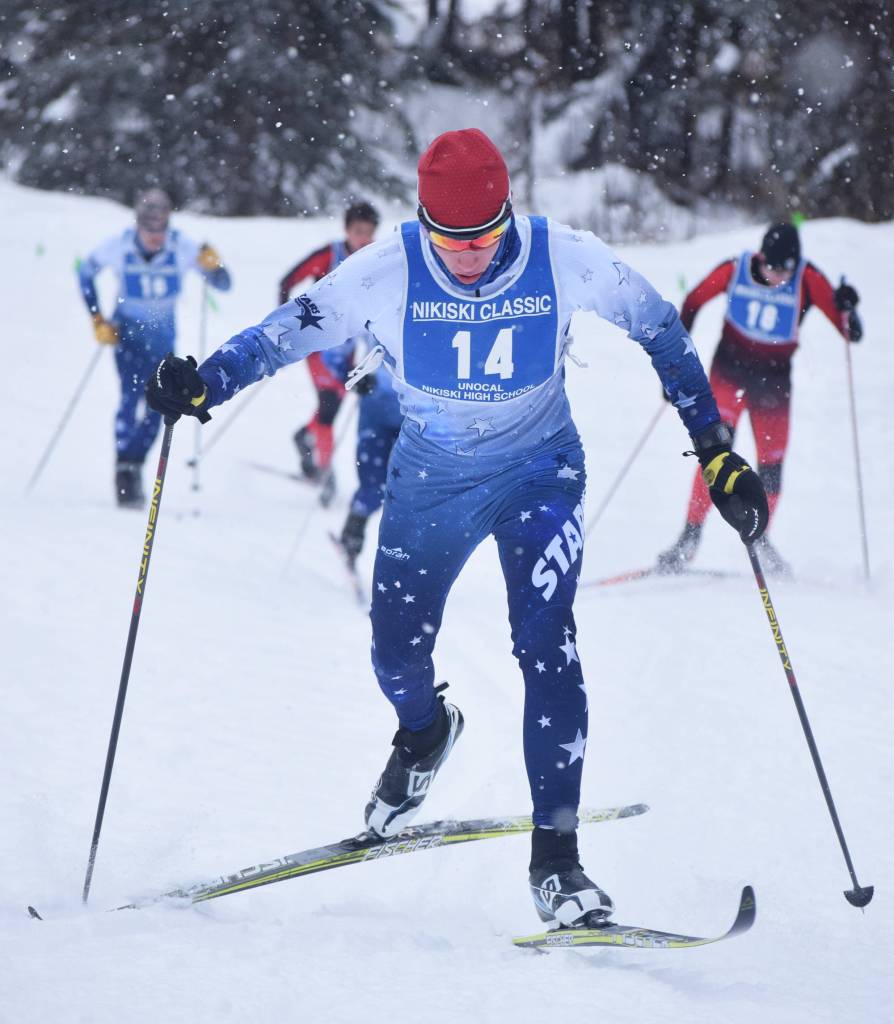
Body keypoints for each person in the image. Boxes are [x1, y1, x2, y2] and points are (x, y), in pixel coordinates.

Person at [145, 129, 768, 926]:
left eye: (484, 238)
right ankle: (425, 732)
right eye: (450, 241)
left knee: (548, 642)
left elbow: (660, 328)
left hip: (541, 472)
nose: (469, 257)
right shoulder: (388, 267)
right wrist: (209, 380)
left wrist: (714, 451)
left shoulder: (561, 255)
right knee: (394, 652)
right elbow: (294, 325)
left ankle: (558, 860)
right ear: (423, 225)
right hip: (431, 482)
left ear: (509, 215)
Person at [657, 222, 862, 574]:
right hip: (728, 374)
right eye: (770, 265)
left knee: (771, 468)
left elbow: (850, 332)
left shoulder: (808, 279)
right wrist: (675, 363)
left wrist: (848, 307)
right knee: (714, 457)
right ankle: (688, 538)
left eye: (784, 269)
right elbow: (692, 302)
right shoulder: (735, 269)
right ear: (761, 256)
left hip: (773, 387)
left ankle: (759, 535)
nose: (775, 275)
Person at [78, 187, 232, 506]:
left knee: (158, 405)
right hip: (126, 337)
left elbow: (223, 284)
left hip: (163, 344)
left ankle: (134, 465)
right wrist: (97, 318)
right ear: (138, 225)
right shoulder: (119, 246)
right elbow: (85, 273)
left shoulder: (181, 246)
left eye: (159, 231)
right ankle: (124, 466)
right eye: (148, 231)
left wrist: (214, 266)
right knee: (129, 398)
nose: (154, 239)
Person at [278, 202, 380, 489]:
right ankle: (325, 473)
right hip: (318, 346)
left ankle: (305, 436)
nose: (364, 239)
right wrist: (286, 322)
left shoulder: (373, 260)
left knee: (332, 405)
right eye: (358, 231)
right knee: (330, 407)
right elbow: (287, 281)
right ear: (346, 230)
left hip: (347, 350)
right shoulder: (329, 255)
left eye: (369, 233)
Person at [321, 341, 404, 570]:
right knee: (372, 484)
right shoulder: (378, 305)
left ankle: (408, 563)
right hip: (376, 407)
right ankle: (351, 537)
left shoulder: (437, 308)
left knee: (412, 490)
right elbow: (338, 337)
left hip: (420, 416)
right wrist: (349, 373)